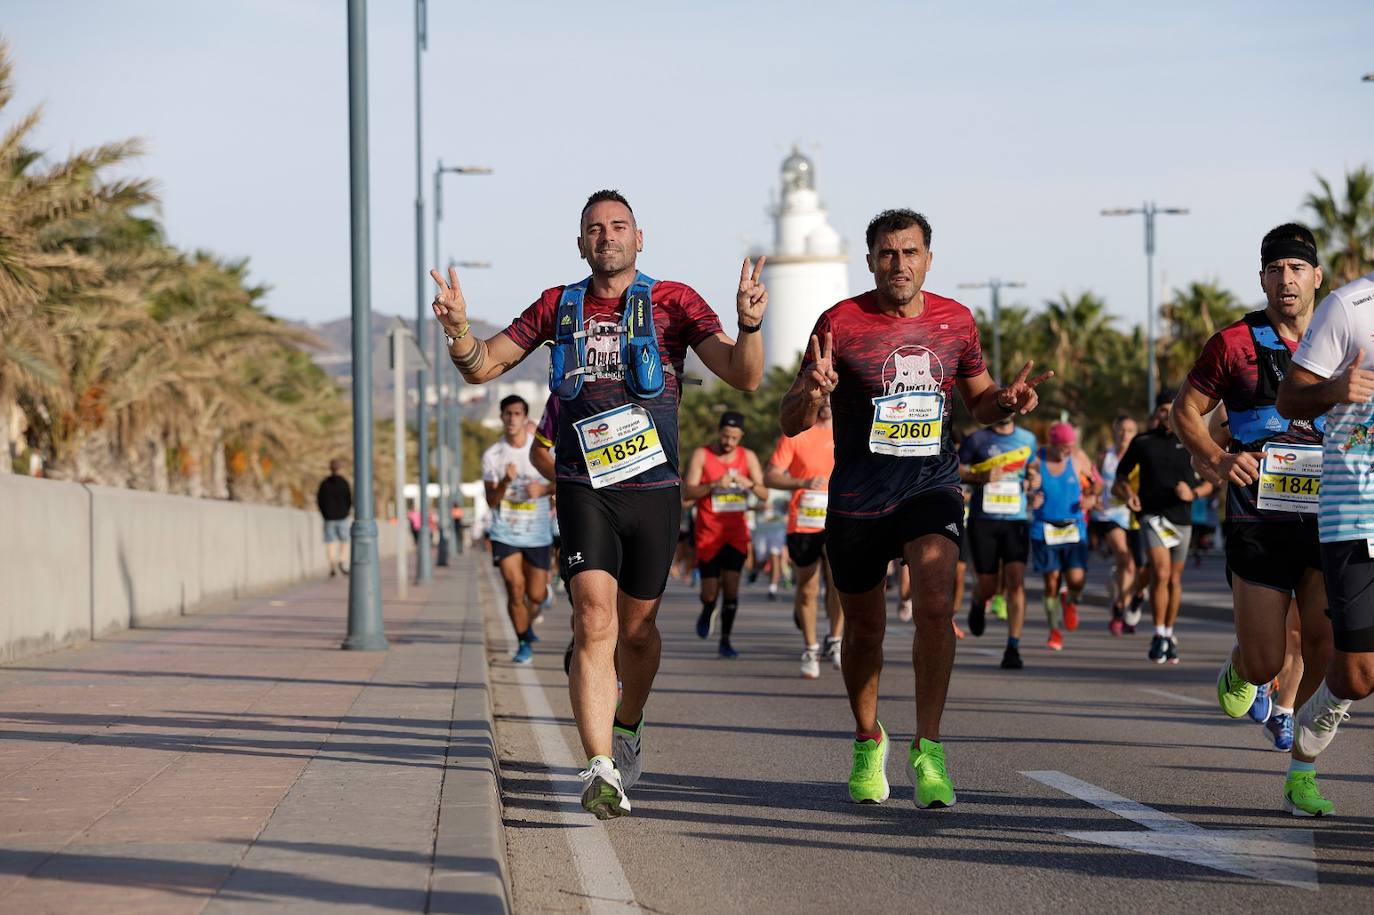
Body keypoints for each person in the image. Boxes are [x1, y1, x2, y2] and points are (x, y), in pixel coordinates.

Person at [429, 189, 767, 819]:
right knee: (593, 618)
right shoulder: (558, 305)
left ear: (640, 239)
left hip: (655, 490)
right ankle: (600, 764)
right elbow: (482, 367)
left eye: (618, 226)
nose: (606, 236)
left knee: (636, 634)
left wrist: (749, 325)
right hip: (585, 486)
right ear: (580, 242)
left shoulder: (676, 301)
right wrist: (456, 333)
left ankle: (629, 723)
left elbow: (743, 375)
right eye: (594, 229)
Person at [779, 209, 1050, 809]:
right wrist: (810, 392)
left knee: (933, 605)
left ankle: (928, 747)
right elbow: (791, 421)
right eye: (886, 253)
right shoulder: (838, 323)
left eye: (910, 252)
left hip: (930, 487)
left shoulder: (956, 322)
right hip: (857, 498)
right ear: (870, 259)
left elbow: (979, 403)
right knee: (866, 630)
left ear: (929, 257)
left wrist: (1004, 400)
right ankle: (867, 737)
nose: (898, 264)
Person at [1276, 260, 1374, 816]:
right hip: (1356, 513)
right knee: (1357, 676)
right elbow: (1291, 398)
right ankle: (1307, 749)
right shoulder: (1350, 307)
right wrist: (1337, 389)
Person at [1113, 390, 1212, 664]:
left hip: (1182, 518)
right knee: (1161, 571)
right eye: (1161, 410)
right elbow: (1120, 478)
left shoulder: (1192, 442)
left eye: (1171, 409)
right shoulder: (1142, 443)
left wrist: (1192, 494)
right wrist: (1127, 493)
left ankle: (1168, 633)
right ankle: (1157, 634)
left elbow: (1212, 479)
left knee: (1174, 579)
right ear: (1156, 414)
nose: (1165, 415)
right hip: (1152, 517)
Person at [766, 396, 844, 678]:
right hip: (805, 521)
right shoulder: (797, 437)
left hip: (840, 518)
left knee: (839, 583)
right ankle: (810, 647)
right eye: (821, 396)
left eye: (831, 396)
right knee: (807, 587)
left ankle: (835, 639)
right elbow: (770, 476)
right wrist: (801, 482)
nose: (826, 402)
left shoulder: (848, 431)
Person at [683, 411, 768, 658]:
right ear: (718, 432)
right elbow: (687, 492)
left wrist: (749, 483)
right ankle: (708, 608)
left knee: (731, 587)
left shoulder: (748, 457)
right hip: (709, 534)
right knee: (709, 592)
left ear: (741, 437)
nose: (728, 442)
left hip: (736, 534)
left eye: (734, 437)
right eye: (725, 436)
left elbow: (764, 494)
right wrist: (712, 486)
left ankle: (725, 640)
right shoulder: (702, 455)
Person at [482, 395, 555, 665]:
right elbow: (490, 501)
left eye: (517, 414)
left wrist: (545, 488)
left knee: (534, 595)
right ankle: (523, 642)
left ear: (525, 418)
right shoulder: (493, 456)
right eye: (507, 414)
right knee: (514, 588)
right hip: (505, 532)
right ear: (501, 417)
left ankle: (537, 606)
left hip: (537, 533)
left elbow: (564, 479)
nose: (512, 418)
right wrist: (505, 481)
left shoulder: (538, 452)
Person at [959, 416, 1036, 668]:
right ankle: (979, 601)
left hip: (1016, 519)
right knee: (989, 585)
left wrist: (1035, 480)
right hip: (984, 520)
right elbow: (956, 469)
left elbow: (1034, 469)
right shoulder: (977, 439)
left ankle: (1013, 647)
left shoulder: (1027, 439)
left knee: (1016, 581)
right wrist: (979, 476)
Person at [1026, 422, 1100, 651]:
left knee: (1077, 578)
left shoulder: (1078, 457)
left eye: (1071, 446)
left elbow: (1097, 484)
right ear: (1052, 443)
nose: (1068, 450)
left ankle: (1072, 600)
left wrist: (1091, 498)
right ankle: (1054, 630)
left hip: (1073, 527)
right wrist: (1031, 496)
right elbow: (1026, 485)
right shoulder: (1037, 460)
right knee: (1051, 582)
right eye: (1064, 447)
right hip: (1044, 528)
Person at [1092, 414, 1140, 633]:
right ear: (1114, 432)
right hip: (1110, 515)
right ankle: (1122, 606)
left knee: (1134, 567)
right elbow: (1092, 483)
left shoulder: (1141, 456)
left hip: (1135, 515)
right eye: (1121, 430)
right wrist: (1092, 498)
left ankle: (1121, 599)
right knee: (1125, 557)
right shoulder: (1105, 457)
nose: (1125, 435)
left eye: (1130, 431)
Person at [316, 459, 352, 578]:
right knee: (345, 540)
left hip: (329, 518)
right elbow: (349, 499)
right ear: (339, 469)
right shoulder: (343, 483)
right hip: (342, 517)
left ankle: (332, 566)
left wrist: (325, 514)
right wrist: (346, 512)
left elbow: (320, 500)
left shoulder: (324, 483)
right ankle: (342, 560)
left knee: (330, 542)